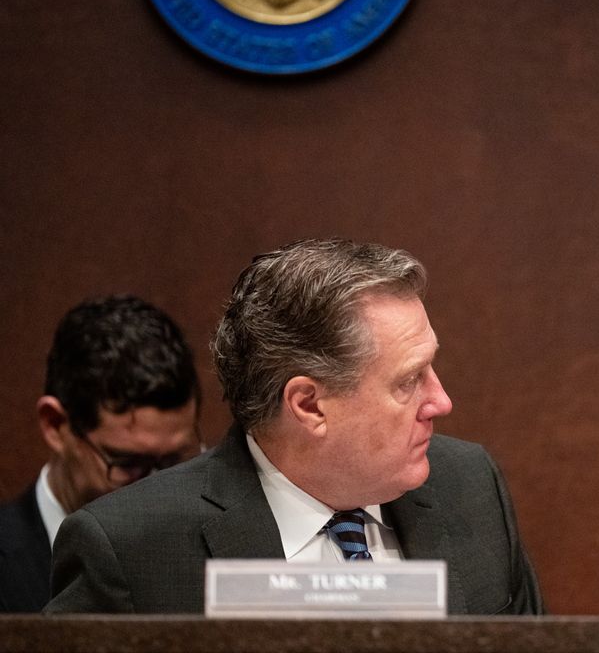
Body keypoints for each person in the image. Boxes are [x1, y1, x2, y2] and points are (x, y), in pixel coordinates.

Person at [45, 239, 544, 614]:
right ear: (309, 404)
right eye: (409, 380)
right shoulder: (131, 549)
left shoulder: (470, 487)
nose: (441, 401)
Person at [0, 296, 202, 613]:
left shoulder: (215, 557)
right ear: (55, 425)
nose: (157, 489)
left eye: (174, 461)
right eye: (128, 464)